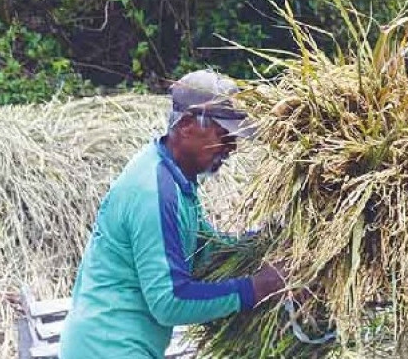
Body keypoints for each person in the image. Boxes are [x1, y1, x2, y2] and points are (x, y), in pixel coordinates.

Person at [60, 69, 285, 358]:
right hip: (107, 347)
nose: (232, 147)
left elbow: (204, 249)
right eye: (224, 134)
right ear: (189, 124)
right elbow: (169, 301)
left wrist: (264, 244)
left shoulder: (176, 180)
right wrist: (254, 288)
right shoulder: (153, 191)